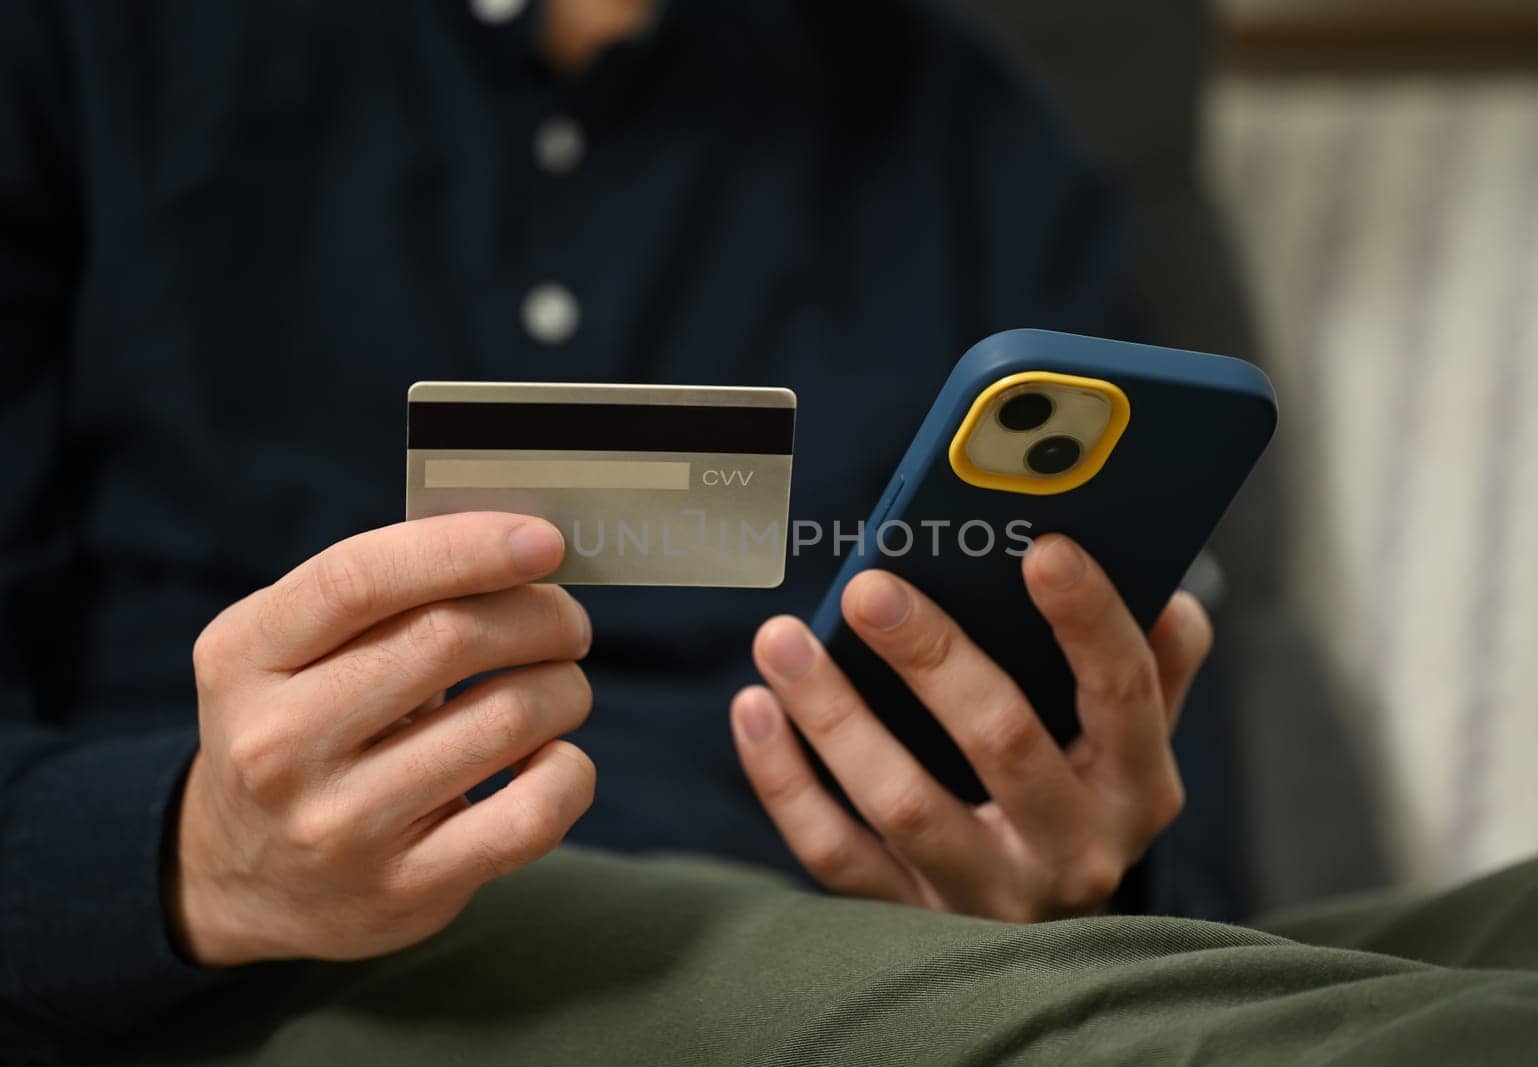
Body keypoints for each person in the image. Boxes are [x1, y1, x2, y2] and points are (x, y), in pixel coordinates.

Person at [0, 0, 1218, 1055]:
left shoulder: (973, 128)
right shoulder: (85, 50)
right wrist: (202, 854)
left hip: (912, 950)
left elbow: (1174, 799)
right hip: (299, 968)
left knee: (1396, 967)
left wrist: (1079, 875)